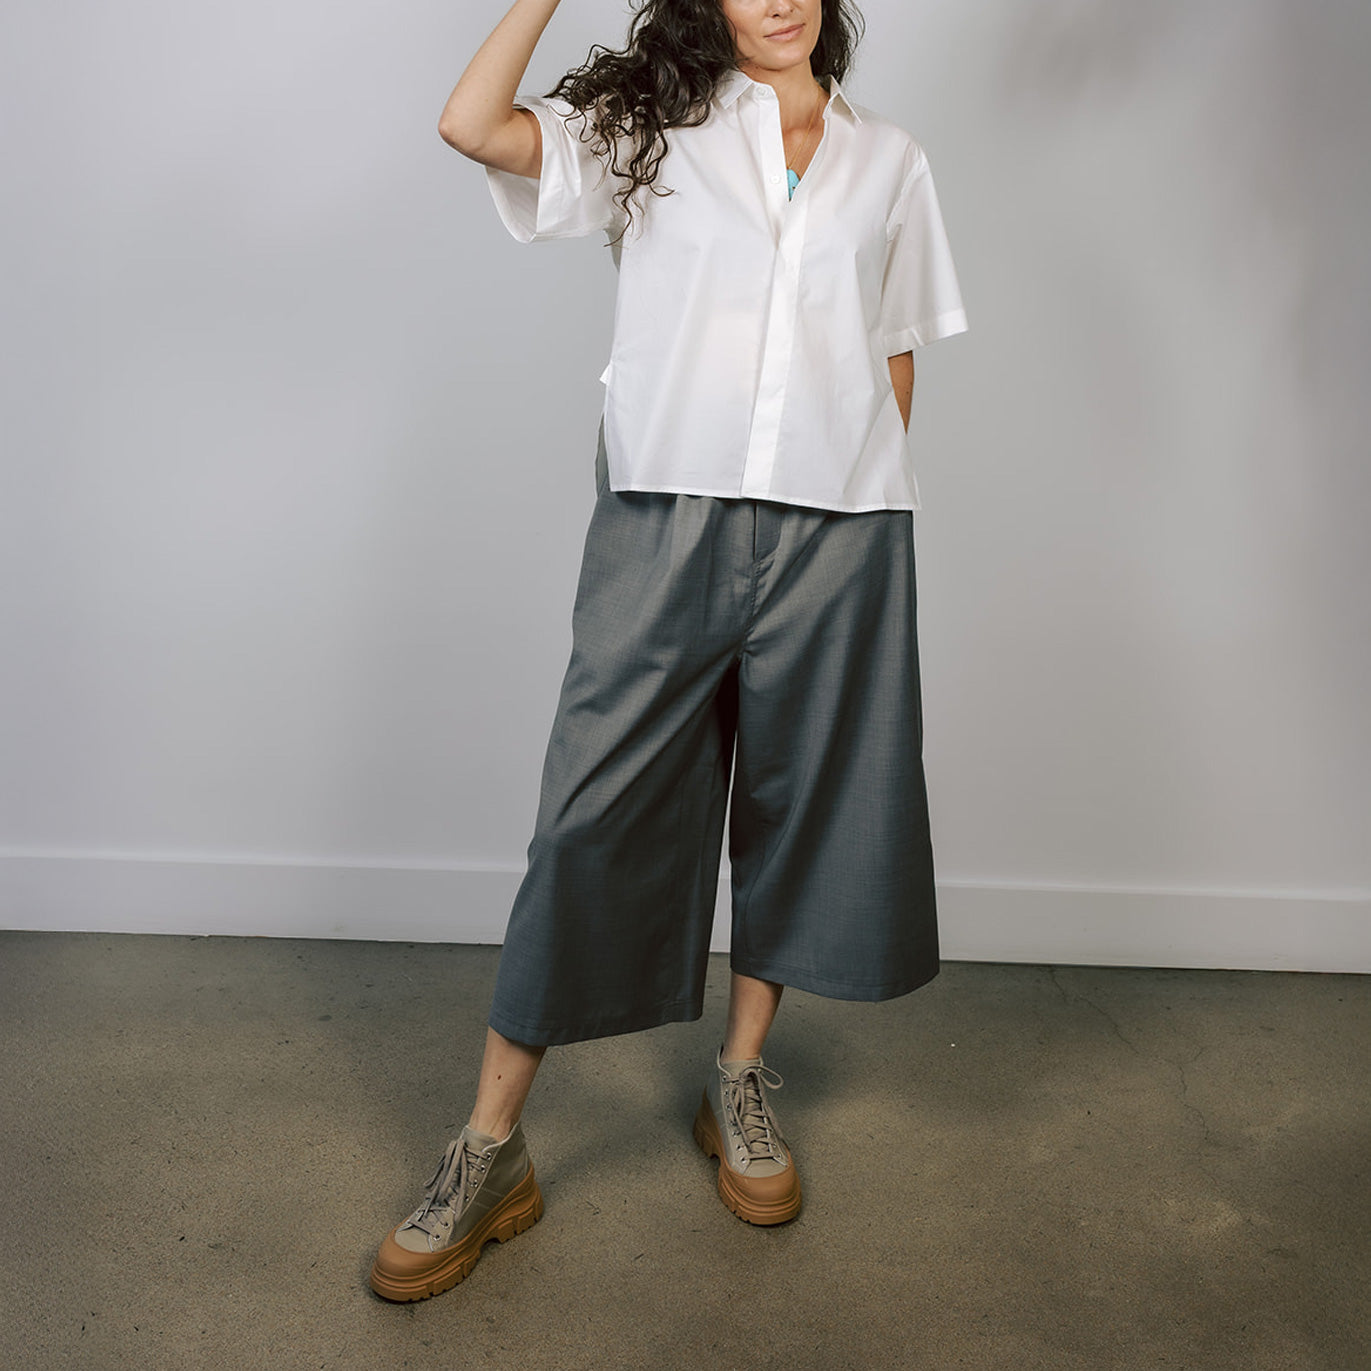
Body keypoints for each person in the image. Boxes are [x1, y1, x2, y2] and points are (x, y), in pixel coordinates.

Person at [368, 0, 968, 1302]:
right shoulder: (649, 128)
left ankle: (738, 1079)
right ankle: (490, 1146)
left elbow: (894, 345)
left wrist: (856, 485)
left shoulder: (891, 159)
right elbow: (470, 125)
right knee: (587, 816)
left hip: (843, 530)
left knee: (801, 805)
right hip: (666, 513)